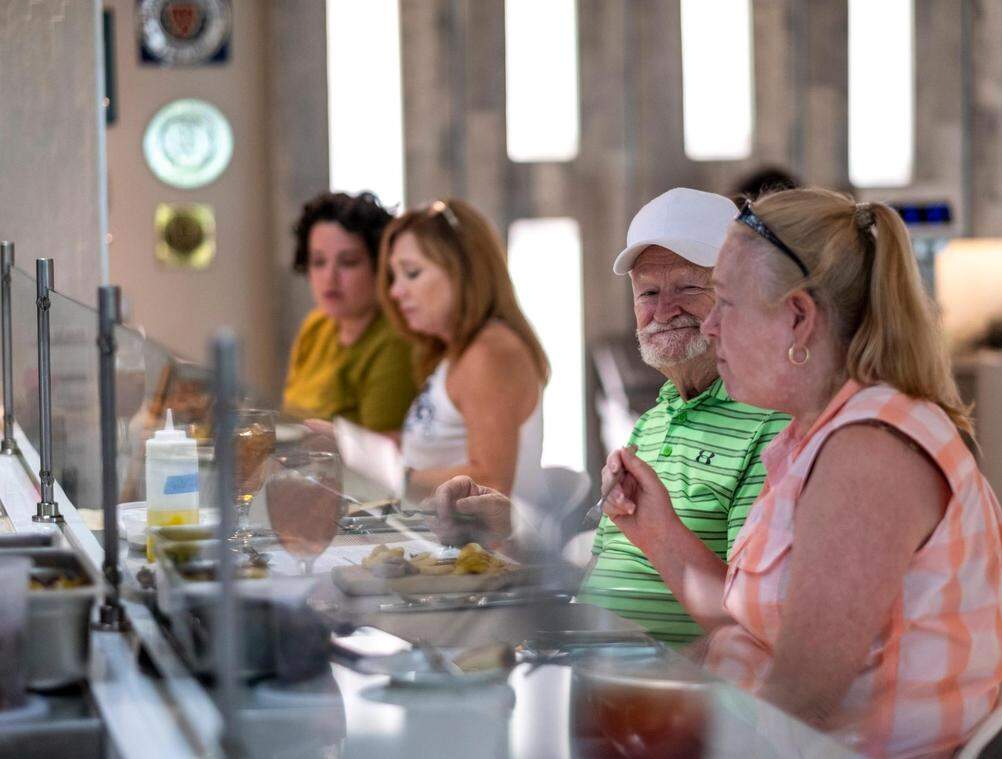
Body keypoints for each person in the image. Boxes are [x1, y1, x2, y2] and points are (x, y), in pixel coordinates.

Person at [600, 188, 1002, 755]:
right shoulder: (818, 431)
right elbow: (747, 627)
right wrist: (654, 527)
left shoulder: (869, 457)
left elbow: (801, 706)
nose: (712, 328)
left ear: (798, 319)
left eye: (725, 302)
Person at [433, 188, 790, 645]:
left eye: (688, 287)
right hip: (595, 665)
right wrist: (507, 533)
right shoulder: (655, 419)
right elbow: (596, 579)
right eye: (649, 292)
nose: (664, 310)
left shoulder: (771, 424)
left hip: (669, 695)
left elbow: (752, 624)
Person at [378, 198, 549, 514]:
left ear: (464, 272)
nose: (395, 292)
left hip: (482, 553)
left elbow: (491, 482)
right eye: (394, 276)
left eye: (411, 273)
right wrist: (350, 445)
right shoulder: (459, 352)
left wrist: (390, 475)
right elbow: (435, 443)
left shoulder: (489, 354)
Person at [283, 191, 417, 433]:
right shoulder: (316, 325)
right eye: (318, 261)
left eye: (349, 262)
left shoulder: (396, 339)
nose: (330, 277)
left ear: (380, 266)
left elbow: (383, 456)